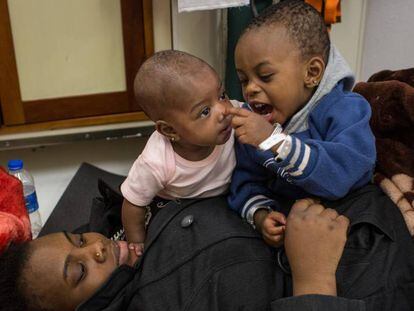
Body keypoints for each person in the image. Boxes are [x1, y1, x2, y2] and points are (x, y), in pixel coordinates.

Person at [1, 184, 414, 311]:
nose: (94, 250)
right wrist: (314, 275)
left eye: (78, 239)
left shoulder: (119, 236)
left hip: (365, 203)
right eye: (77, 273)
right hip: (388, 271)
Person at [226, 0, 376, 247]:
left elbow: (343, 173)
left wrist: (274, 141)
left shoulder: (347, 109)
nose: (251, 89)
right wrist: (261, 215)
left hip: (349, 219)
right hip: (293, 227)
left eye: (265, 76)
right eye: (243, 80)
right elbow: (246, 182)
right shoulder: (255, 128)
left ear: (312, 73)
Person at [120, 50, 235, 254]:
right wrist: (137, 244)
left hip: (227, 201)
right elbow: (133, 204)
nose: (224, 110)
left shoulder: (235, 118)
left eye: (222, 95)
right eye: (205, 111)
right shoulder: (155, 162)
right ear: (170, 130)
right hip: (180, 209)